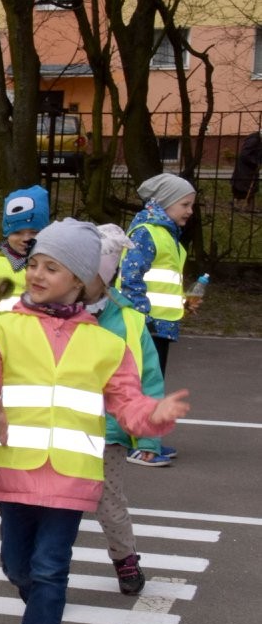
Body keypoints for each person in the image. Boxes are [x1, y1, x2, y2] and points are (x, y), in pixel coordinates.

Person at [0, 218, 190, 624]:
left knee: (50, 568)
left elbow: (128, 402)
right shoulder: (1, 328)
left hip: (71, 477)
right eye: (35, 264)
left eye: (52, 267)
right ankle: (44, 620)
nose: (36, 274)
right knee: (16, 566)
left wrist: (154, 415)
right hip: (13, 471)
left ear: (81, 280)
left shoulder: (106, 344)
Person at [86, 224, 164, 594]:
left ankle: (125, 558)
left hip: (109, 429)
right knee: (53, 504)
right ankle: (43, 566)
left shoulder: (128, 318)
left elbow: (149, 376)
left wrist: (148, 432)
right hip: (59, 425)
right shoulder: (52, 313)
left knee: (109, 502)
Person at [117, 173, 195, 463]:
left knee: (151, 381)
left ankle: (146, 439)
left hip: (160, 324)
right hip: (147, 324)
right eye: (185, 204)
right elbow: (131, 277)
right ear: (165, 203)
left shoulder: (166, 234)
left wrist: (183, 302)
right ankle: (140, 444)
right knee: (144, 383)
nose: (190, 211)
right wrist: (142, 315)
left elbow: (160, 282)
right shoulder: (147, 232)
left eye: (191, 205)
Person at [0, 185, 50, 316]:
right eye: (17, 232)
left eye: (34, 232)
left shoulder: (56, 264)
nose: (26, 238)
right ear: (7, 234)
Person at [230, 127, 261, 212]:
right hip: (245, 168)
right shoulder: (254, 140)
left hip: (251, 167)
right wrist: (256, 162)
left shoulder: (258, 139)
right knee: (244, 186)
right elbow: (244, 154)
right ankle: (238, 204)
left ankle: (250, 206)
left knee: (252, 186)